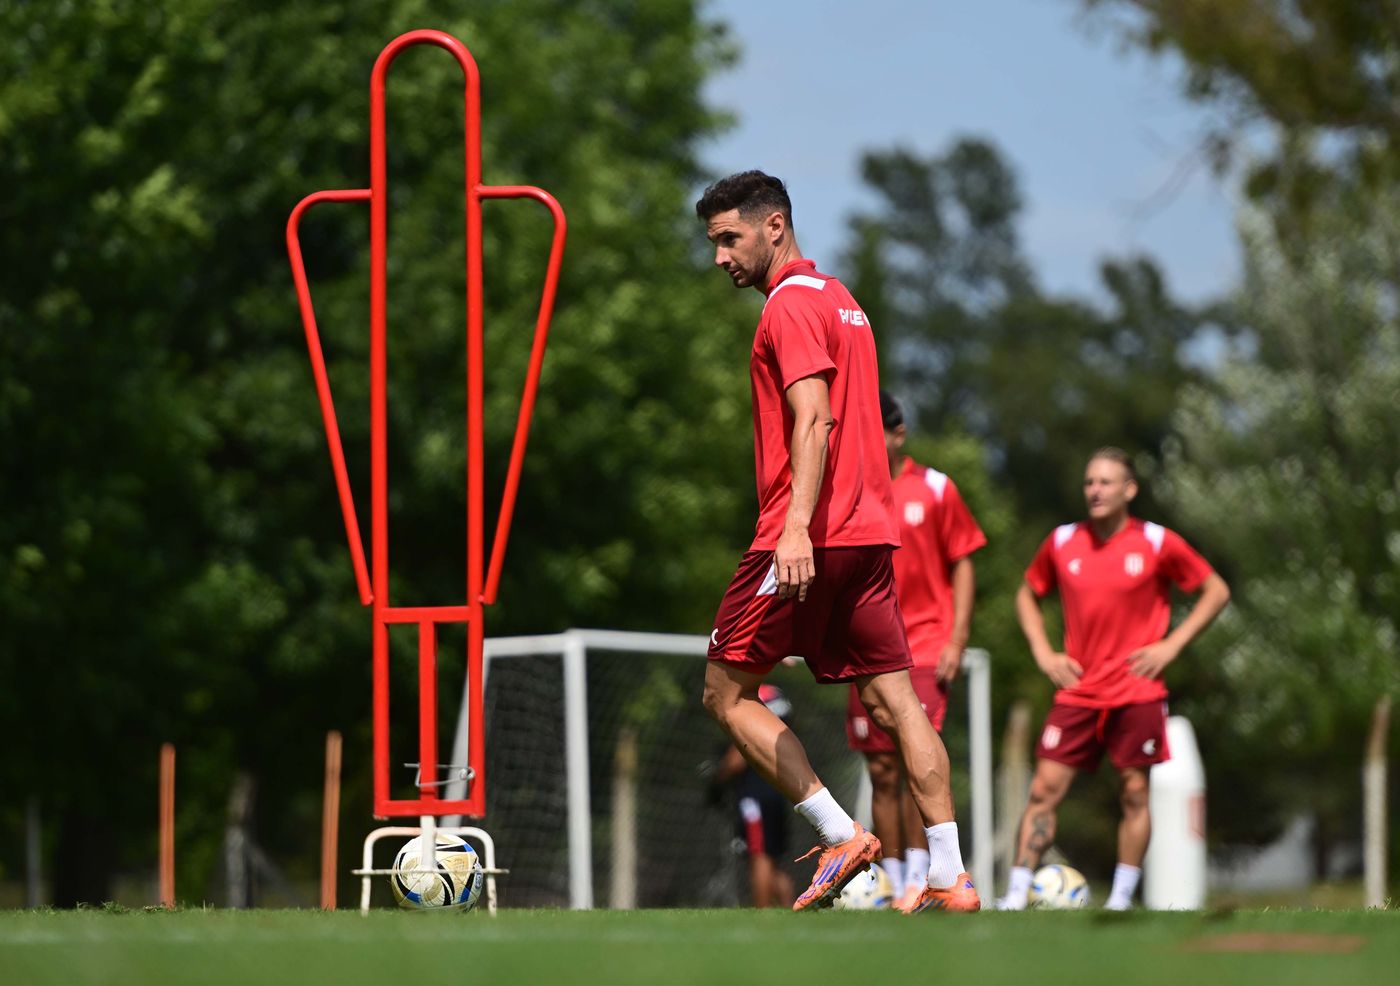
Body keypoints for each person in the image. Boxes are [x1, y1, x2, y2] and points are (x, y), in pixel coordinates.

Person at [696, 170, 979, 913]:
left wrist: (795, 526)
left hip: (807, 535)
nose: (721, 257)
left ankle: (837, 830)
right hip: (872, 537)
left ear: (775, 226)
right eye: (714, 243)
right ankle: (950, 873)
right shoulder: (844, 301)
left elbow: (814, 417)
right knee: (898, 702)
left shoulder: (787, 307)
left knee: (724, 693)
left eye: (730, 238)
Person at [998, 447, 1230, 911]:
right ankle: (1016, 893)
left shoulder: (1158, 541)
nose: (1095, 491)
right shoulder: (1063, 541)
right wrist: (1045, 652)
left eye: (1105, 482)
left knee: (1134, 792)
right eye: (1089, 482)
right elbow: (1026, 594)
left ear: (1129, 490)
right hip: (1078, 691)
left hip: (1137, 691)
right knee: (1043, 790)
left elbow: (1215, 590)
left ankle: (1121, 898)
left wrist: (1172, 645)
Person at [846, 391, 986, 912]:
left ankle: (931, 874)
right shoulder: (851, 489)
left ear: (898, 433)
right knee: (879, 770)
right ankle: (895, 879)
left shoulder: (936, 489)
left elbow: (965, 560)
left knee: (909, 759)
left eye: (874, 432)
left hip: (924, 644)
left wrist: (957, 637)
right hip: (864, 644)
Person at [710, 684, 798, 908]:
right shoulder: (784, 734)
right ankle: (793, 911)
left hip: (755, 800)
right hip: (777, 796)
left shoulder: (754, 729)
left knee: (758, 856)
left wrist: (717, 783)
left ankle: (763, 913)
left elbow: (735, 761)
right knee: (773, 863)